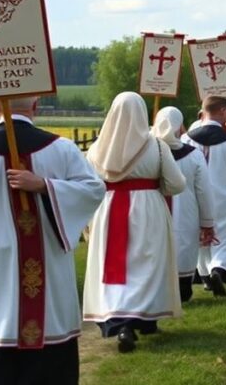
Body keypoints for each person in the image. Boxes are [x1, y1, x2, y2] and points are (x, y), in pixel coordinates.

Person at [0, 97, 105, 384]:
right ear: (36, 106)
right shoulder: (62, 148)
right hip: (50, 273)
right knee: (51, 361)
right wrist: (47, 186)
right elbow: (92, 190)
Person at [82, 92, 187, 353]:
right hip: (147, 208)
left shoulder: (96, 149)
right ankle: (140, 319)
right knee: (145, 263)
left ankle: (118, 319)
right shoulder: (158, 146)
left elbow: (88, 184)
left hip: (108, 208)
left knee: (115, 266)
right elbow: (176, 183)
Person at [152, 107, 216, 303]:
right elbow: (204, 190)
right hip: (185, 211)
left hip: (154, 210)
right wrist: (207, 221)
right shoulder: (193, 155)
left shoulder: (148, 152)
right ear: (180, 126)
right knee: (184, 248)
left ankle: (158, 290)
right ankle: (183, 289)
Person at [184, 95, 226, 296]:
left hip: (194, 197)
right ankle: (218, 268)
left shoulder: (186, 139)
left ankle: (206, 277)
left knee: (200, 237)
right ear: (223, 110)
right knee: (224, 237)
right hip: (225, 197)